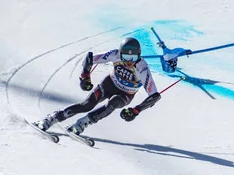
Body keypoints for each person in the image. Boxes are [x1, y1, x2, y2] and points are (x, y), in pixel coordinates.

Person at [33, 37, 161, 135]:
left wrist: (136, 110)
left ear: (139, 55)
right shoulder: (114, 54)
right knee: (87, 105)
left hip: (126, 95)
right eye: (126, 56)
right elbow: (90, 59)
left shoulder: (142, 68)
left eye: (133, 57)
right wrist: (85, 76)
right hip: (109, 84)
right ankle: (52, 118)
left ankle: (81, 124)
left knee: (113, 103)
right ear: (120, 53)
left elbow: (154, 95)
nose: (129, 61)